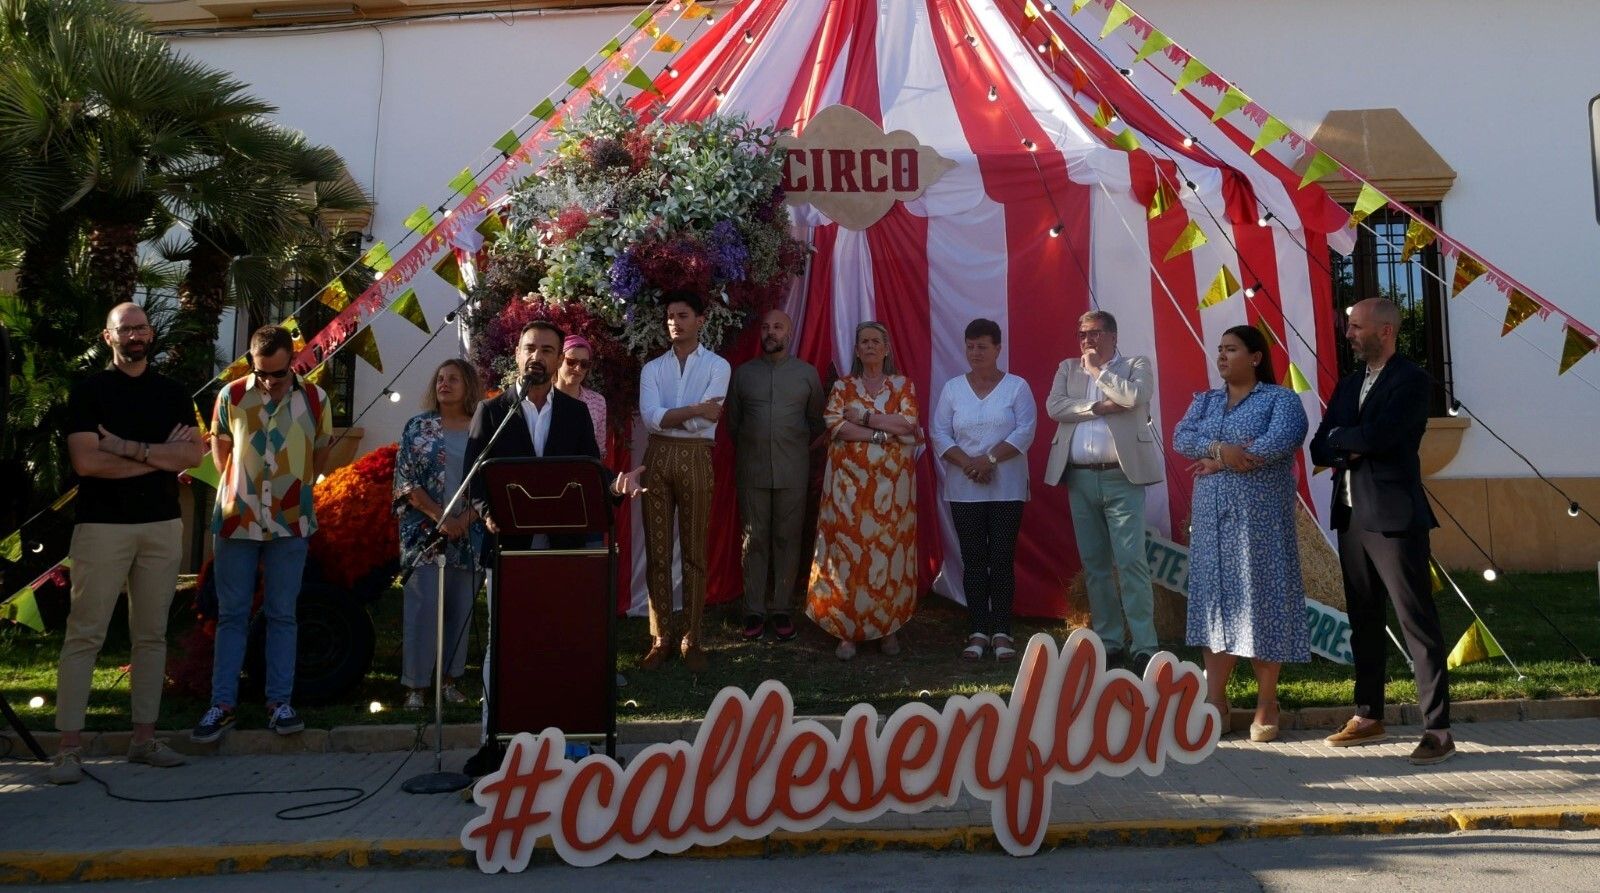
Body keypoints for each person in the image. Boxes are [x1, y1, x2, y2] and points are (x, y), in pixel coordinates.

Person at [459, 319, 644, 776]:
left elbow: (589, 472)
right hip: (509, 549)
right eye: (529, 348)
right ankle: (495, 742)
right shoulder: (493, 411)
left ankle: (564, 740)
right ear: (517, 355)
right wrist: (486, 511)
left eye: (546, 349)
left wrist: (615, 488)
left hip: (564, 550)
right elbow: (475, 477)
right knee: (503, 645)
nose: (536, 356)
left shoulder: (574, 412)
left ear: (558, 358)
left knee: (560, 640)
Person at [48, 303, 205, 784]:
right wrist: (159, 457)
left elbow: (194, 454)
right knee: (86, 633)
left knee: (151, 635)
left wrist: (126, 447)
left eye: (140, 327)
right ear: (108, 336)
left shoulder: (173, 393)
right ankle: (69, 749)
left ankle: (144, 739)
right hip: (101, 527)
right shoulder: (90, 391)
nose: (134, 335)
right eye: (125, 329)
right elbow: (87, 464)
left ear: (150, 334)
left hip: (161, 525)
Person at [1311, 298, 1453, 765]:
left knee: (1417, 623)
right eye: (1349, 325)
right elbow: (1320, 444)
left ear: (1386, 330)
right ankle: (1368, 715)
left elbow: (1385, 437)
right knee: (1364, 623)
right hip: (1351, 519)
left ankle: (1438, 730)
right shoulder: (1350, 384)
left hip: (1393, 518)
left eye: (1356, 326)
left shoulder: (1411, 380)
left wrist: (1348, 441)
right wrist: (1346, 443)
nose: (1348, 333)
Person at [193, 325, 331, 744]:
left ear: (293, 360)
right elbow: (219, 447)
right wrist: (239, 487)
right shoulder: (231, 395)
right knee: (232, 612)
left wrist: (299, 485)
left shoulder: (314, 397)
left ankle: (279, 703)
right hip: (238, 518)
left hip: (292, 518)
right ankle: (222, 705)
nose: (269, 381)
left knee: (282, 613)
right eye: (262, 372)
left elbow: (322, 447)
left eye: (277, 373)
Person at [1173, 325, 1310, 743]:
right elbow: (1182, 437)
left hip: (1260, 524)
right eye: (1219, 349)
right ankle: (1216, 700)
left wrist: (1225, 459)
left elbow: (1278, 442)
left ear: (1254, 357)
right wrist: (1221, 451)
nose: (1221, 356)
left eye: (1231, 349)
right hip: (1213, 523)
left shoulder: (1280, 400)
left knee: (1262, 601)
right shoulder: (1206, 401)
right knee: (1214, 604)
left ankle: (1267, 701)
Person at [1044, 310, 1164, 674]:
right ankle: (1110, 641)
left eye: (1094, 333)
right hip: (1079, 477)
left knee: (1131, 562)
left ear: (1112, 335)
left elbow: (1132, 397)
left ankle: (1144, 644)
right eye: (1082, 334)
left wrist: (1099, 372)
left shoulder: (1135, 364)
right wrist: (1097, 406)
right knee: (1095, 565)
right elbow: (1054, 407)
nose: (1087, 341)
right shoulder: (1067, 368)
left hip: (1122, 476)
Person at [807, 321, 922, 661]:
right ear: (856, 351)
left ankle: (888, 628)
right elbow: (836, 424)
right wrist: (880, 433)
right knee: (847, 553)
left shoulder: (903, 385)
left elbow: (908, 424)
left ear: (886, 349)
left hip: (893, 489)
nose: (870, 346)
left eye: (876, 341)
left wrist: (867, 417)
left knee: (889, 554)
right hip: (847, 488)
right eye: (864, 342)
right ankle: (847, 632)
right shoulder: (844, 386)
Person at [931, 319, 1036, 662]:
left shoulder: (1017, 387)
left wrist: (989, 459)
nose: (975, 353)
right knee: (973, 561)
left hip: (1007, 488)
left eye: (983, 347)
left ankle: (1002, 631)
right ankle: (977, 631)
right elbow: (939, 434)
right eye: (970, 346)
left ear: (998, 349)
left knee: (1001, 560)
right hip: (964, 489)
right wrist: (969, 465)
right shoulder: (952, 389)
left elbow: (1025, 432)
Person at [638, 291, 731, 673]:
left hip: (695, 456)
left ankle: (692, 637)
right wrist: (693, 409)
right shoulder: (652, 369)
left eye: (683, 314)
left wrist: (679, 416)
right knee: (658, 551)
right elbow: (651, 419)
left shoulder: (718, 366)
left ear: (700, 320)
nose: (675, 322)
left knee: (694, 550)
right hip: (657, 456)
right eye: (670, 316)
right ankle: (660, 638)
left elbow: (706, 423)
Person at [726, 309, 825, 643]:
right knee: (753, 540)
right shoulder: (743, 374)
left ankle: (782, 609)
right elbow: (733, 423)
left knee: (787, 539)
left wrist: (793, 449)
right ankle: (754, 610)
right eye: (766, 327)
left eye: (778, 327)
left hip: (793, 470)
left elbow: (817, 422)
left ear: (790, 332)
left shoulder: (807, 375)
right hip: (751, 470)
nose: (771, 332)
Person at [392, 359, 485, 711]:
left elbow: (491, 479)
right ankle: (416, 686)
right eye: (441, 378)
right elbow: (406, 482)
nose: (445, 384)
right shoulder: (417, 427)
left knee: (459, 610)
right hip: (424, 534)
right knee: (423, 607)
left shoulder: (482, 427)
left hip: (470, 532)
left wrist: (467, 518)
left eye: (454, 379)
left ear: (469, 386)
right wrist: (441, 518)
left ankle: (449, 680)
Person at [555, 335, 608, 461]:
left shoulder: (597, 401)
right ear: (559, 360)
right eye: (571, 362)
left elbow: (599, 449)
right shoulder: (543, 398)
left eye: (584, 364)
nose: (578, 368)